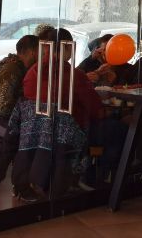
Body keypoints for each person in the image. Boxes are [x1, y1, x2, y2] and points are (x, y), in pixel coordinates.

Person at [14, 28, 102, 200]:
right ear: (67, 47)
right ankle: (90, 177)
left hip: (34, 134)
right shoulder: (72, 75)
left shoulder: (32, 72)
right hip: (64, 134)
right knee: (107, 128)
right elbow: (94, 107)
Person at [0, 34, 39, 190]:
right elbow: (3, 108)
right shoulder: (12, 70)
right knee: (20, 136)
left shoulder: (18, 67)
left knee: (24, 132)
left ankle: (11, 180)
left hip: (1, 120)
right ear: (33, 52)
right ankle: (19, 184)